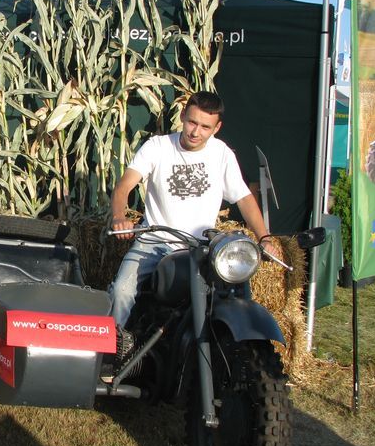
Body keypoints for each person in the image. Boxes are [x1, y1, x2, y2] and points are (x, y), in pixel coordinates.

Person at [109, 91, 281, 329]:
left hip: (202, 247)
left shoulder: (221, 153)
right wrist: (119, 217)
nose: (195, 132)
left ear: (216, 128)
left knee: (237, 290)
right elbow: (124, 186)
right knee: (121, 291)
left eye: (205, 127)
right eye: (192, 122)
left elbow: (244, 199)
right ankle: (110, 357)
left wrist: (264, 237)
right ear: (182, 116)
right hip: (154, 242)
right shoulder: (158, 147)